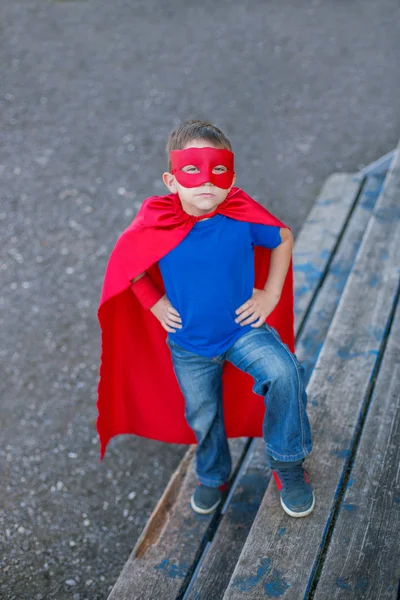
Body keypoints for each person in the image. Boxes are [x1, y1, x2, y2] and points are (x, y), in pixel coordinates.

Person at [96, 120, 314, 518]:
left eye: (219, 170)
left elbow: (281, 237)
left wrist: (271, 293)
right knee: (204, 412)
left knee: (285, 372)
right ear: (171, 180)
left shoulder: (241, 216)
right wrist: (154, 301)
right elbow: (127, 263)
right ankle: (213, 475)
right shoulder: (157, 220)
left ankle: (287, 463)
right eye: (192, 170)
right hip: (190, 343)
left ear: (231, 178)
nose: (206, 182)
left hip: (243, 329)